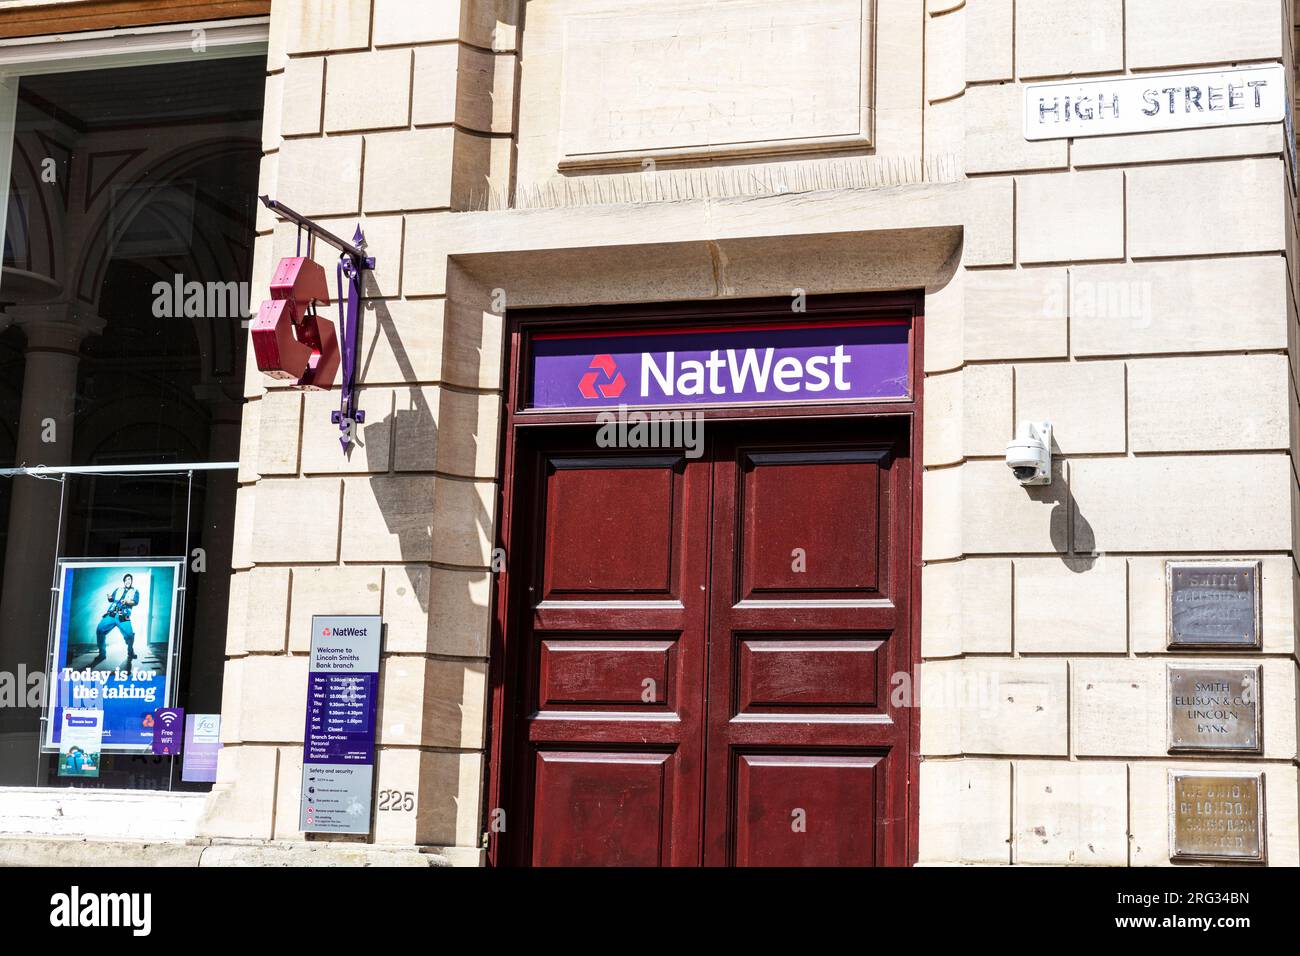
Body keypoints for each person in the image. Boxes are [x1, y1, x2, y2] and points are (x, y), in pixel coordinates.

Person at [92, 572, 140, 666]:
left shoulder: (135, 591)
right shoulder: (118, 589)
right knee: (100, 629)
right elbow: (111, 599)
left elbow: (135, 602)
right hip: (112, 614)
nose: (128, 581)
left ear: (132, 581)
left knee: (130, 636)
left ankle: (130, 652)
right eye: (126, 580)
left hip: (123, 615)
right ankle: (102, 654)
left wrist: (127, 601)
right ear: (124, 582)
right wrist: (109, 597)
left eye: (129, 579)